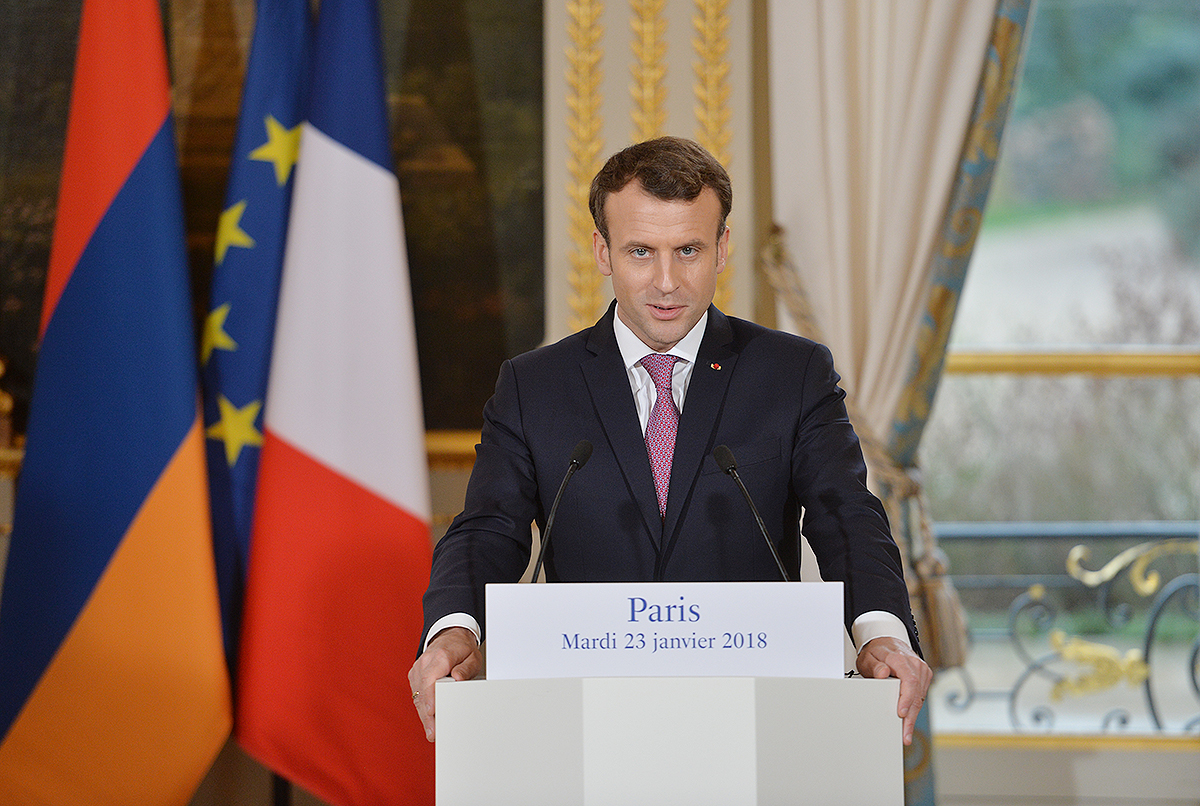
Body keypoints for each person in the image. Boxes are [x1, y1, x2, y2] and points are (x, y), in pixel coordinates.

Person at [408, 136, 931, 744]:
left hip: (755, 719)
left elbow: (846, 516)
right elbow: (487, 529)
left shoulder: (793, 374)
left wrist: (880, 633)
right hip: (585, 721)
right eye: (640, 252)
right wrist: (455, 629)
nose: (666, 282)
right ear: (602, 252)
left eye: (688, 250)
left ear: (722, 248)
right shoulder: (534, 386)